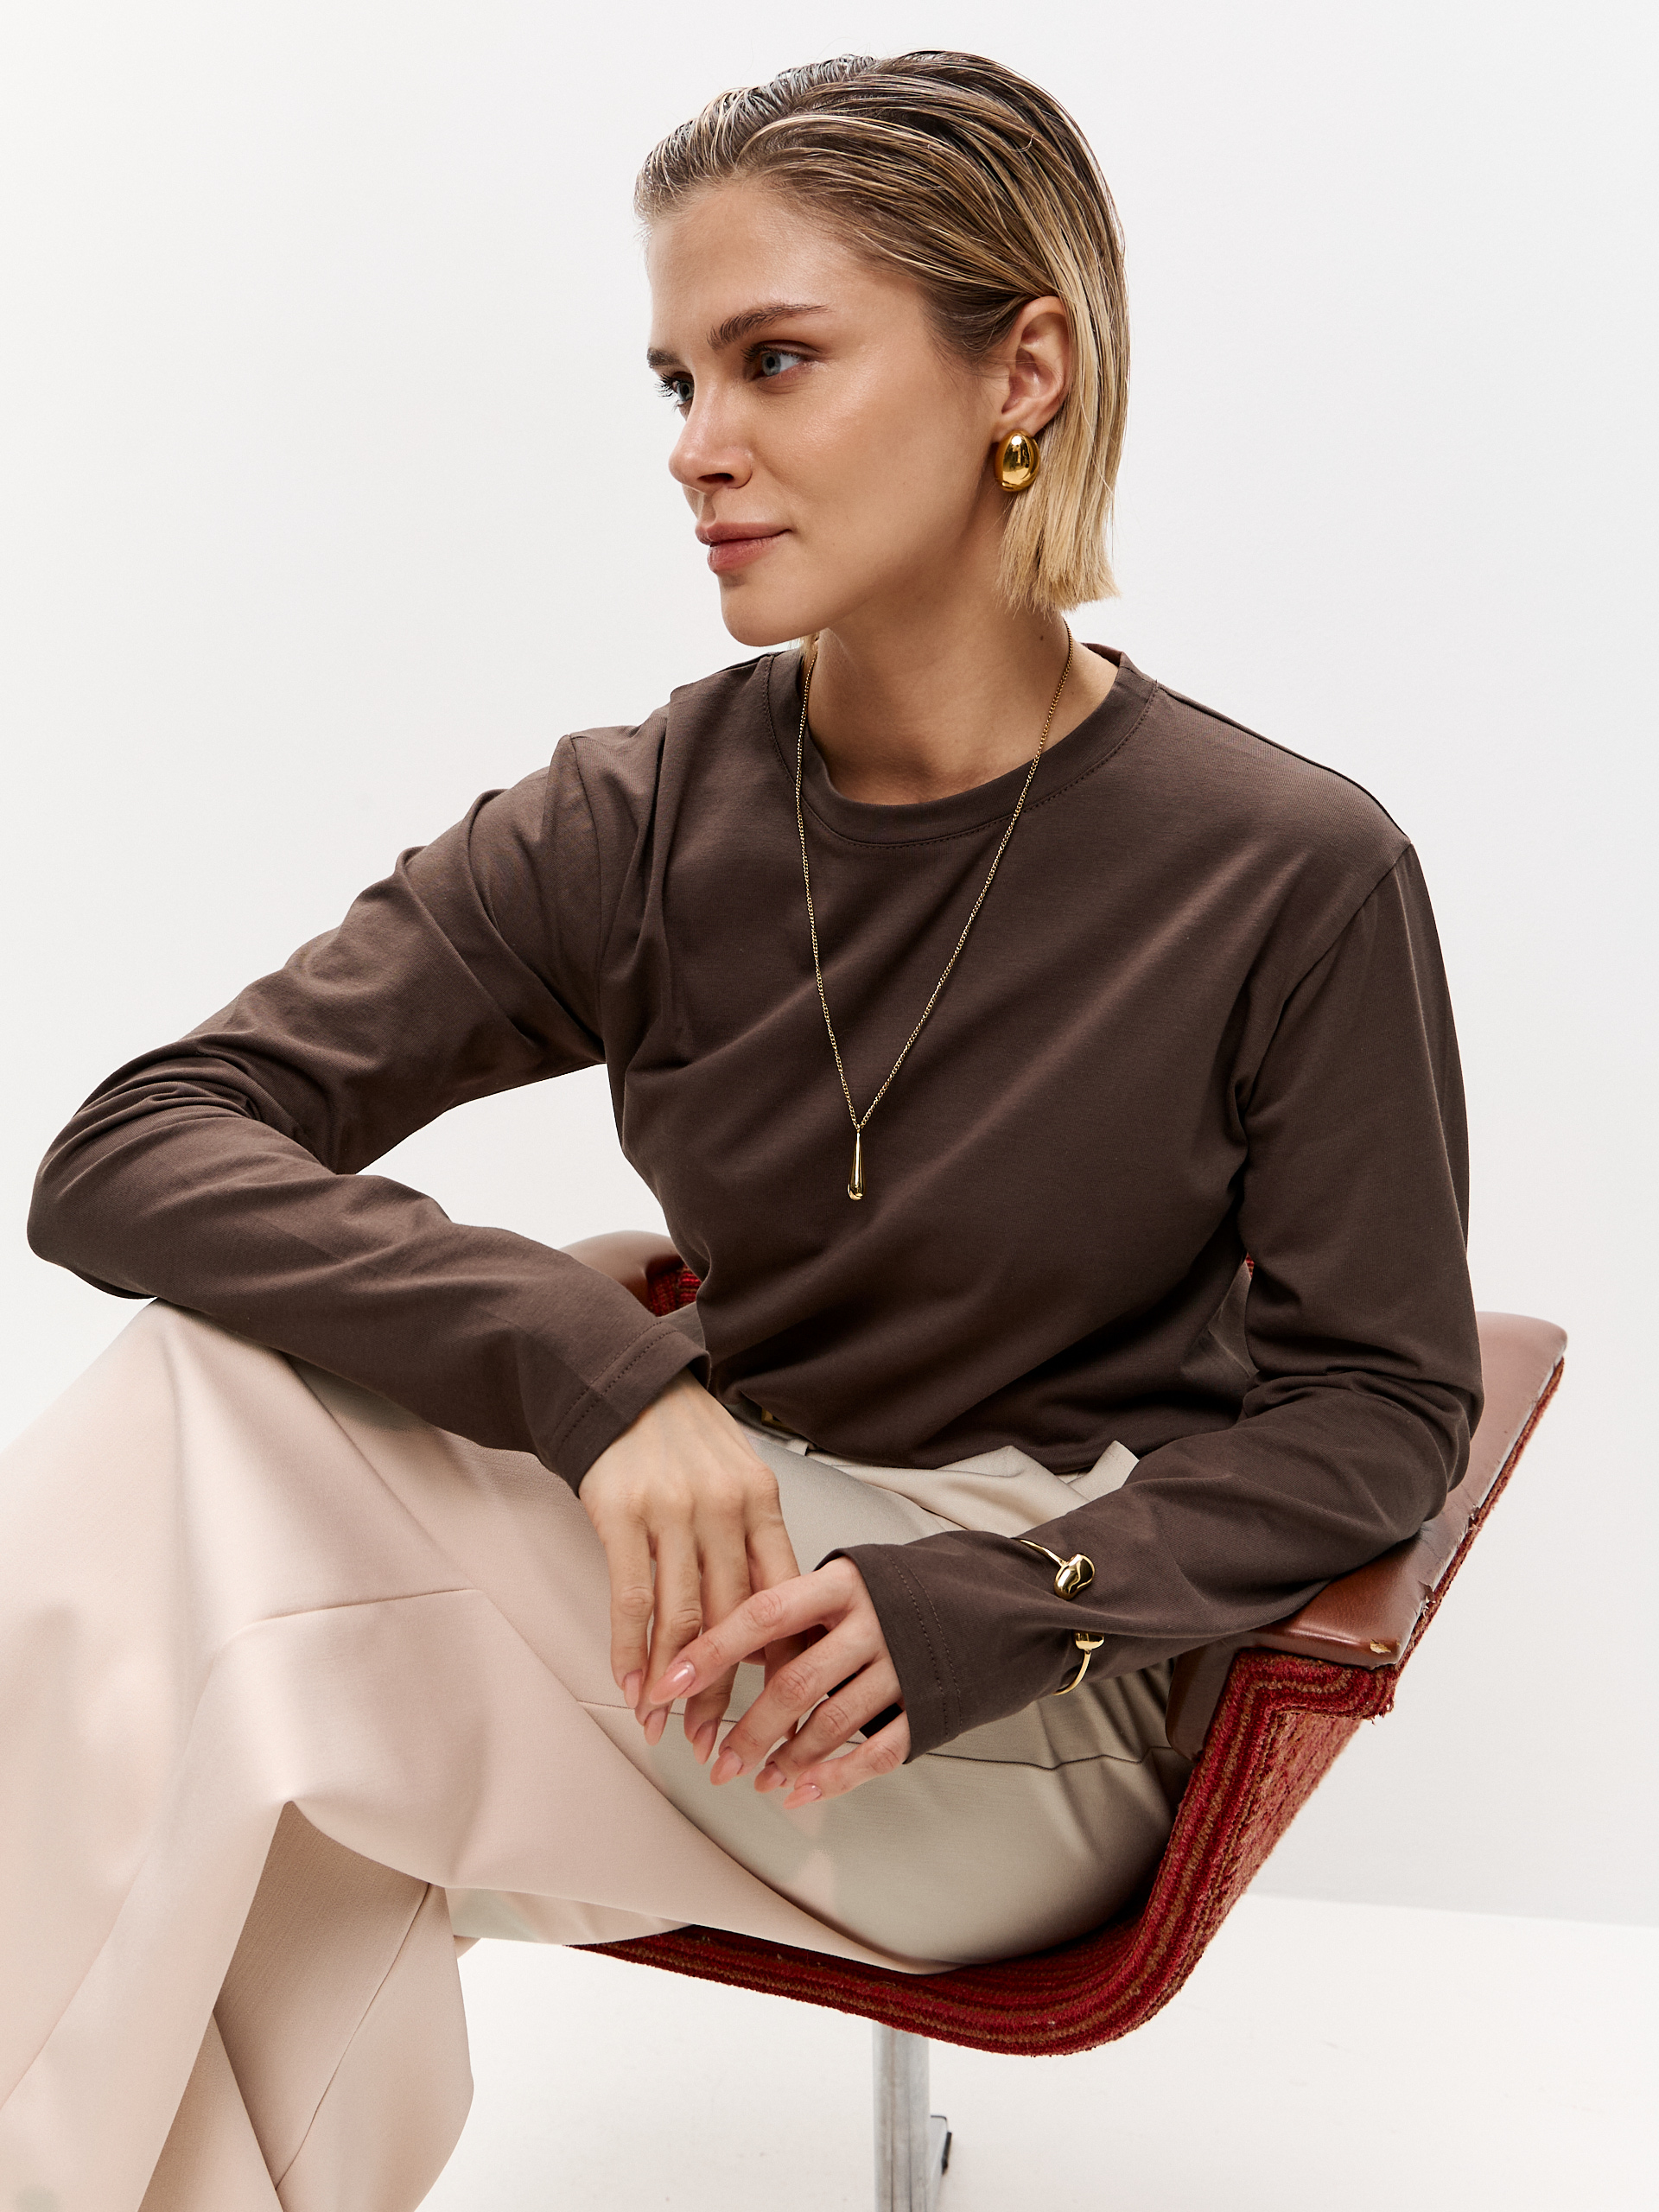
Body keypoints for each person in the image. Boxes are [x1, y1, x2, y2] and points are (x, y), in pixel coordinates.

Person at [0, 49, 1481, 2212]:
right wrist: (588, 1371)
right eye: (679, 377)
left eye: (776, 359)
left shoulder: (1286, 870)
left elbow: (1383, 1406)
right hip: (699, 1607)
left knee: (199, 1499)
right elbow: (136, 1144)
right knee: (238, 1706)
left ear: (1023, 374)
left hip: (1005, 1709)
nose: (698, 444)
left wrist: (997, 1596)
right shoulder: (637, 815)